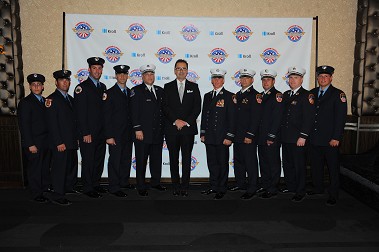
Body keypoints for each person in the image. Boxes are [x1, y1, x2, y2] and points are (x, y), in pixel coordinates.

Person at [309, 65, 347, 206]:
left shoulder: (339, 94)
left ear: (331, 78)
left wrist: (336, 137)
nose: (323, 78)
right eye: (320, 76)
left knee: (332, 168)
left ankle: (333, 194)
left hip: (331, 140)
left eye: (326, 76)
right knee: (316, 166)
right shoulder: (311, 93)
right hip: (314, 138)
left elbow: (340, 118)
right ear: (317, 78)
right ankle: (318, 188)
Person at [163, 59, 201, 197]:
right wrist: (175, 120)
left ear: (187, 71)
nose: (181, 71)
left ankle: (185, 186)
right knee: (173, 158)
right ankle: (175, 185)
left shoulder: (194, 87)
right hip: (172, 129)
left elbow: (197, 107)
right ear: (174, 70)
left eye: (184, 68)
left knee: (186, 158)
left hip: (187, 130)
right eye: (178, 68)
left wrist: (185, 122)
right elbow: (165, 107)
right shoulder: (167, 87)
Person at [130, 64, 166, 196]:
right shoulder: (136, 91)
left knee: (156, 160)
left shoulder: (160, 90)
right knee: (141, 160)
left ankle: (155, 183)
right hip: (142, 134)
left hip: (157, 133)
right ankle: (140, 185)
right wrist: (137, 129)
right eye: (147, 74)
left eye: (152, 74)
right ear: (142, 76)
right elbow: (134, 112)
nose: (150, 77)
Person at [74, 57, 107, 198]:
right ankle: (87, 187)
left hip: (101, 132)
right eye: (94, 68)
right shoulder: (82, 88)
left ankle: (95, 184)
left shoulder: (102, 87)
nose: (97, 71)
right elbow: (80, 113)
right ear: (89, 69)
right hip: (89, 133)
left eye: (99, 68)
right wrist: (85, 132)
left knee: (99, 159)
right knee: (88, 160)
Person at [281, 67, 315, 202]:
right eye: (291, 77)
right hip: (286, 136)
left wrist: (303, 136)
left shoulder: (307, 96)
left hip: (298, 138)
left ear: (301, 79)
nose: (292, 80)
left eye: (296, 77)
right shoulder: (285, 95)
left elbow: (309, 118)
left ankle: (300, 190)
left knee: (299, 165)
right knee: (288, 164)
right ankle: (291, 186)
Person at [200, 68, 236, 200]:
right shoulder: (207, 96)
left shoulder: (229, 96)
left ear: (223, 80)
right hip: (209, 137)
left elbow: (232, 119)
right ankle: (213, 186)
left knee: (222, 163)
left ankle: (222, 188)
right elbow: (205, 116)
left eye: (219, 78)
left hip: (222, 138)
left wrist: (229, 136)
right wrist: (203, 133)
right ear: (211, 80)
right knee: (212, 163)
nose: (216, 80)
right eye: (214, 78)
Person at [45, 70, 78, 206]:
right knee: (59, 169)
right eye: (62, 80)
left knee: (70, 167)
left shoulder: (70, 99)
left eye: (67, 80)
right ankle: (58, 195)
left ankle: (68, 188)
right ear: (56, 82)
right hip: (60, 143)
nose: (65, 82)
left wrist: (75, 138)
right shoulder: (51, 99)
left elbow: (73, 122)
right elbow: (52, 124)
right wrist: (59, 142)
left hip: (70, 141)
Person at [18, 73, 51, 203]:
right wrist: (30, 144)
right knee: (35, 169)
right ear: (30, 87)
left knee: (44, 167)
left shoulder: (45, 101)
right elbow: (24, 125)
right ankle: (36, 193)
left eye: (39, 84)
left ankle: (44, 188)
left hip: (45, 141)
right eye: (34, 85)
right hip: (34, 142)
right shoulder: (26, 102)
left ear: (43, 87)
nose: (36, 86)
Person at [231, 68, 262, 200]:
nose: (244, 80)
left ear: (252, 80)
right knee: (238, 161)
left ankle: (252, 187)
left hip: (248, 136)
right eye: (242, 78)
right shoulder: (237, 95)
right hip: (237, 135)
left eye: (247, 78)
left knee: (250, 162)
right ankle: (240, 183)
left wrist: (250, 135)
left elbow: (256, 118)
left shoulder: (255, 95)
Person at [103, 65, 134, 198]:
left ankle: (123, 182)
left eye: (124, 74)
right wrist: (109, 135)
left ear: (127, 76)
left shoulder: (131, 92)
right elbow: (106, 116)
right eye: (119, 74)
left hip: (128, 133)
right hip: (115, 134)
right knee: (115, 160)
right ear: (116, 76)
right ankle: (114, 187)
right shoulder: (109, 93)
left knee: (126, 159)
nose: (122, 77)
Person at [257, 69, 284, 199]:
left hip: (271, 137)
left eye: (268, 79)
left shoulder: (277, 96)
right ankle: (266, 184)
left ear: (273, 81)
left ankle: (273, 187)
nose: (266, 82)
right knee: (263, 162)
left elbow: (277, 118)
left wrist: (271, 136)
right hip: (261, 136)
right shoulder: (262, 96)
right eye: (264, 79)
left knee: (272, 163)